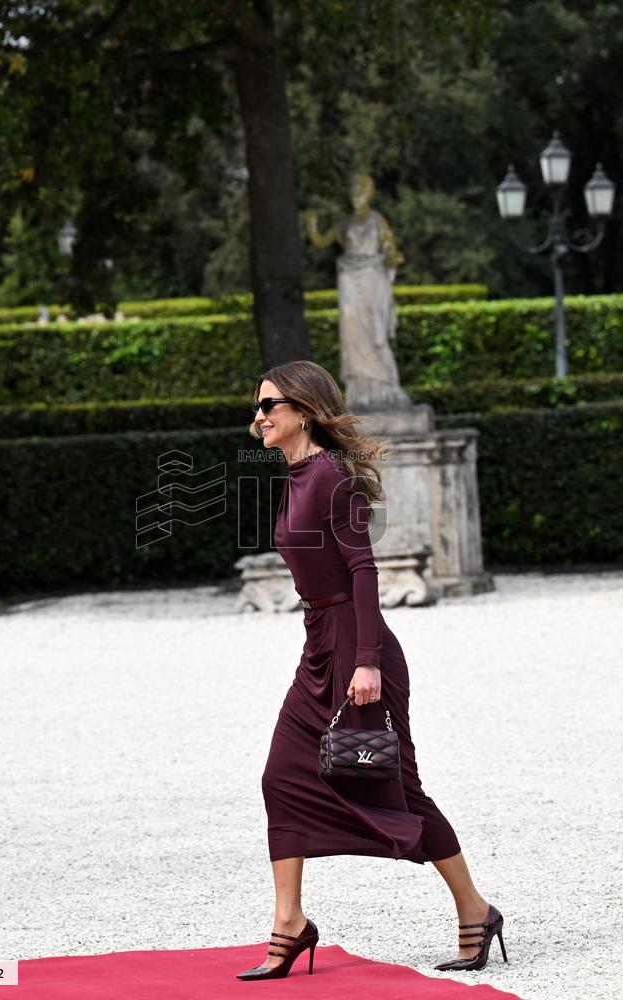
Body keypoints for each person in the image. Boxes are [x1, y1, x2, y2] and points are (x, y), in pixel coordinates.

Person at [236, 360, 507, 981]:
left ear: (303, 410)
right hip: (318, 646)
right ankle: (290, 923)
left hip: (360, 648)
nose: (259, 416)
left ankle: (476, 908)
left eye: (269, 405)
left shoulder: (330, 477)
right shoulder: (294, 472)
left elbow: (363, 569)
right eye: (257, 407)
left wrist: (366, 662)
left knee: (399, 787)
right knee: (282, 776)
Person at [306, 172, 410, 410]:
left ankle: (386, 387)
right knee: (351, 327)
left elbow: (389, 248)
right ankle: (359, 390)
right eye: (352, 191)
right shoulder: (345, 223)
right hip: (349, 276)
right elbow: (322, 241)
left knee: (375, 331)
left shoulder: (377, 221)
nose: (356, 196)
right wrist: (311, 226)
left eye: (359, 191)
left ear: (367, 193)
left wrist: (393, 258)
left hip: (372, 274)